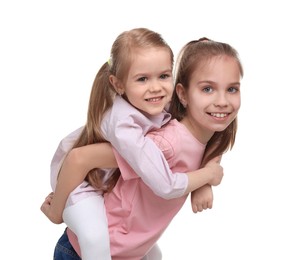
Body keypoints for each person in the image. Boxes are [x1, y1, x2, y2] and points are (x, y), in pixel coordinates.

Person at [42, 37, 243, 259]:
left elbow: (216, 143)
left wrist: (203, 182)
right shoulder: (161, 144)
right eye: (207, 89)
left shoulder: (205, 130)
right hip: (89, 250)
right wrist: (56, 211)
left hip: (129, 250)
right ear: (182, 94)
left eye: (232, 89)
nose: (223, 101)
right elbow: (79, 158)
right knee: (96, 238)